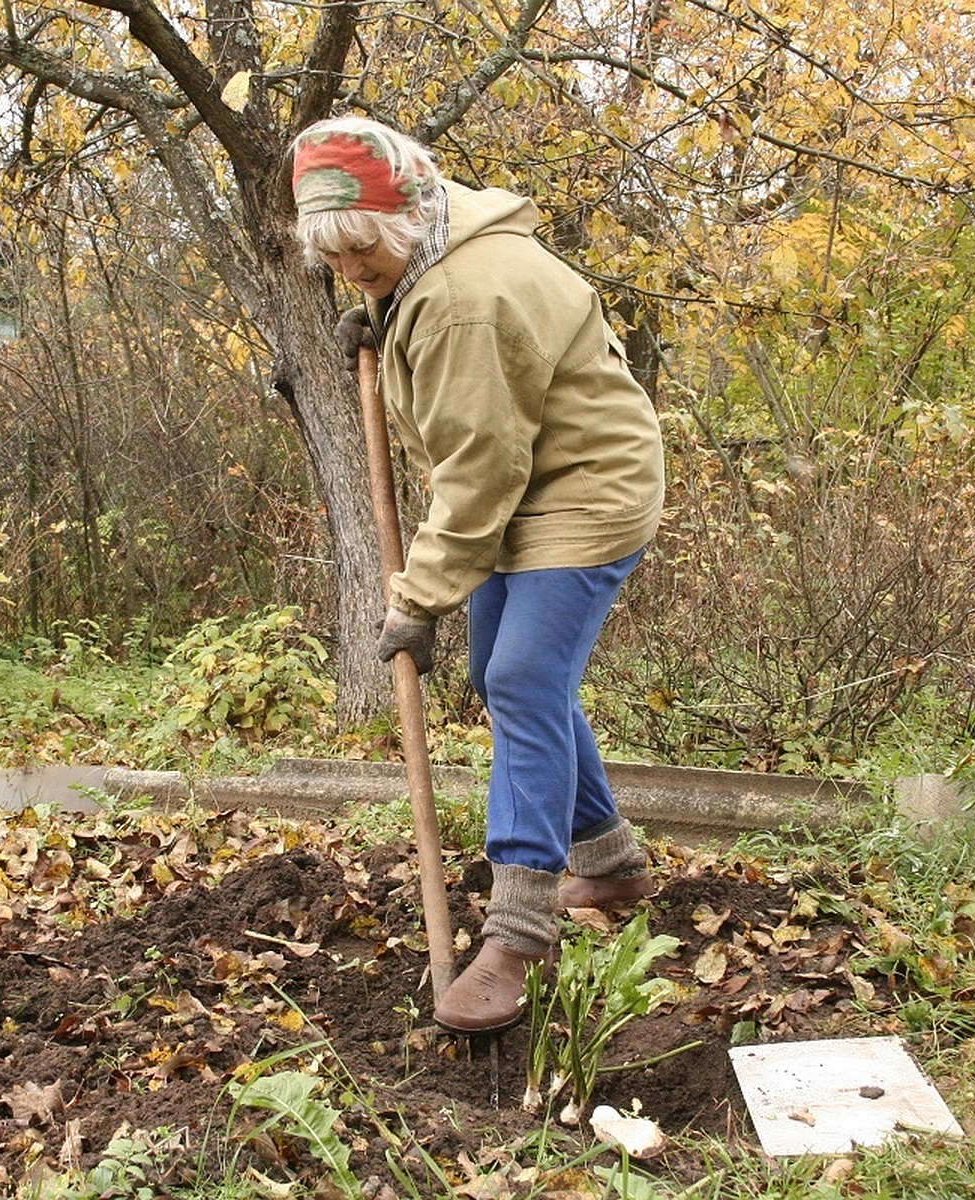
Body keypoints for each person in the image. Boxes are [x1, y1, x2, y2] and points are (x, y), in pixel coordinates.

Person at [290, 116, 665, 1034]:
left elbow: (476, 472)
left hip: (580, 491)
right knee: (506, 681)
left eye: (363, 257)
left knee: (521, 678)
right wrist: (383, 308)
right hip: (527, 482)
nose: (349, 271)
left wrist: (416, 599)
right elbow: (480, 441)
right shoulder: (432, 248)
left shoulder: (463, 298)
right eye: (335, 259)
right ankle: (610, 860)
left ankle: (517, 933)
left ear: (406, 218)